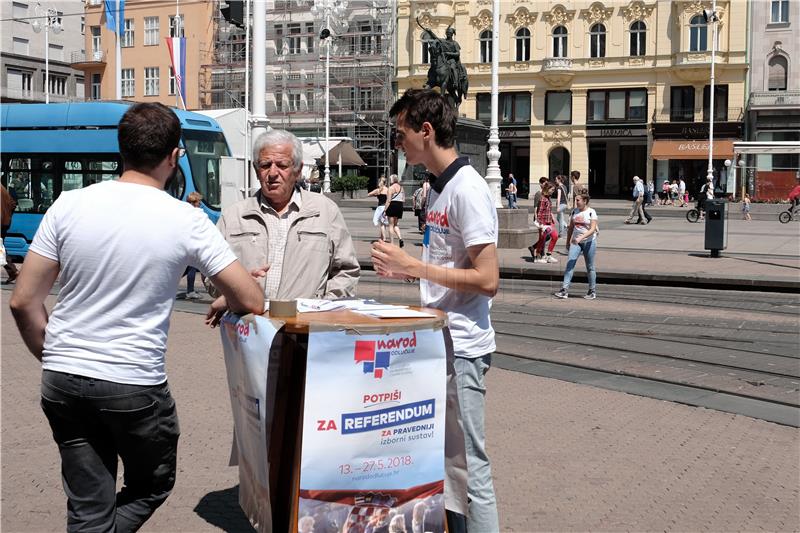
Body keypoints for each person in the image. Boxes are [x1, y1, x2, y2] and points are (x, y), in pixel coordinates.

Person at [8, 102, 264, 533]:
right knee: (151, 484)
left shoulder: (68, 205)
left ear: (120, 150)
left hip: (63, 377)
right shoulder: (186, 218)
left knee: (88, 507)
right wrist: (233, 295)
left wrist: (53, 354)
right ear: (174, 155)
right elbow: (250, 299)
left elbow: (22, 301)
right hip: (131, 381)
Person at [371, 89, 500, 532]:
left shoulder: (468, 189)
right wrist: (410, 273)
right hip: (440, 342)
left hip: (463, 347)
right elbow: (449, 266)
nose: (398, 143)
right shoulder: (439, 189)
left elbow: (489, 280)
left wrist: (416, 266)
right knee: (447, 463)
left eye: (401, 134)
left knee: (472, 467)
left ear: (426, 132)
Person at [214, 128, 359, 301]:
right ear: (256, 169)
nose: (273, 173)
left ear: (298, 171)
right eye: (265, 165)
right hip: (250, 324)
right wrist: (238, 288)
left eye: (282, 165)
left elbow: (346, 270)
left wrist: (322, 308)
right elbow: (210, 274)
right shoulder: (233, 217)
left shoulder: (325, 211)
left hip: (306, 324)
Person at [554, 192, 599, 300]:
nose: (576, 202)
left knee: (590, 267)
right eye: (575, 200)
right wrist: (567, 242)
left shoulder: (591, 212)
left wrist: (581, 237)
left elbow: (593, 229)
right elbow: (570, 228)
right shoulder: (575, 211)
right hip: (575, 242)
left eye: (578, 200)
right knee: (570, 264)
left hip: (589, 242)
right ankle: (564, 290)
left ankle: (592, 291)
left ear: (585, 201)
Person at [528, 181, 559, 264]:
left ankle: (548, 255)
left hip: (549, 221)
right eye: (552, 190)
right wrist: (540, 224)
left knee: (555, 236)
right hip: (544, 223)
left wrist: (552, 217)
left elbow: (548, 210)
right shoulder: (543, 199)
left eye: (553, 190)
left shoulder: (548, 197)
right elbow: (540, 212)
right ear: (547, 189)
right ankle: (537, 257)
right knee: (542, 239)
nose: (553, 191)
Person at [182, 191, 205, 299]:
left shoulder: (184, 212)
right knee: (191, 267)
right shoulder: (196, 214)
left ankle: (164, 286)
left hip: (186, 243)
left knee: (185, 268)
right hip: (192, 243)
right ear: (195, 202)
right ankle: (190, 291)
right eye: (199, 201)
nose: (200, 203)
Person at [1, 183, 19, 282]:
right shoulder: (2, 188)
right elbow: (13, 204)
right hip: (5, 223)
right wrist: (7, 217)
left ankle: (13, 271)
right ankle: (12, 271)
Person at [385, 174, 405, 247]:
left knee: (390, 225)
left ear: (392, 180)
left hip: (392, 205)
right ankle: (400, 238)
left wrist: (385, 209)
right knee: (396, 225)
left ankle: (392, 243)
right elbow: (403, 199)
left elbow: (388, 200)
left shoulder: (390, 188)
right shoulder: (401, 188)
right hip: (400, 206)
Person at [368, 175, 390, 242]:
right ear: (385, 183)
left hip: (380, 207)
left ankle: (384, 238)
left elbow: (368, 194)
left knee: (382, 224)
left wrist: (375, 194)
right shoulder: (388, 190)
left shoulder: (378, 190)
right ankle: (381, 237)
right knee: (384, 223)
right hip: (387, 207)